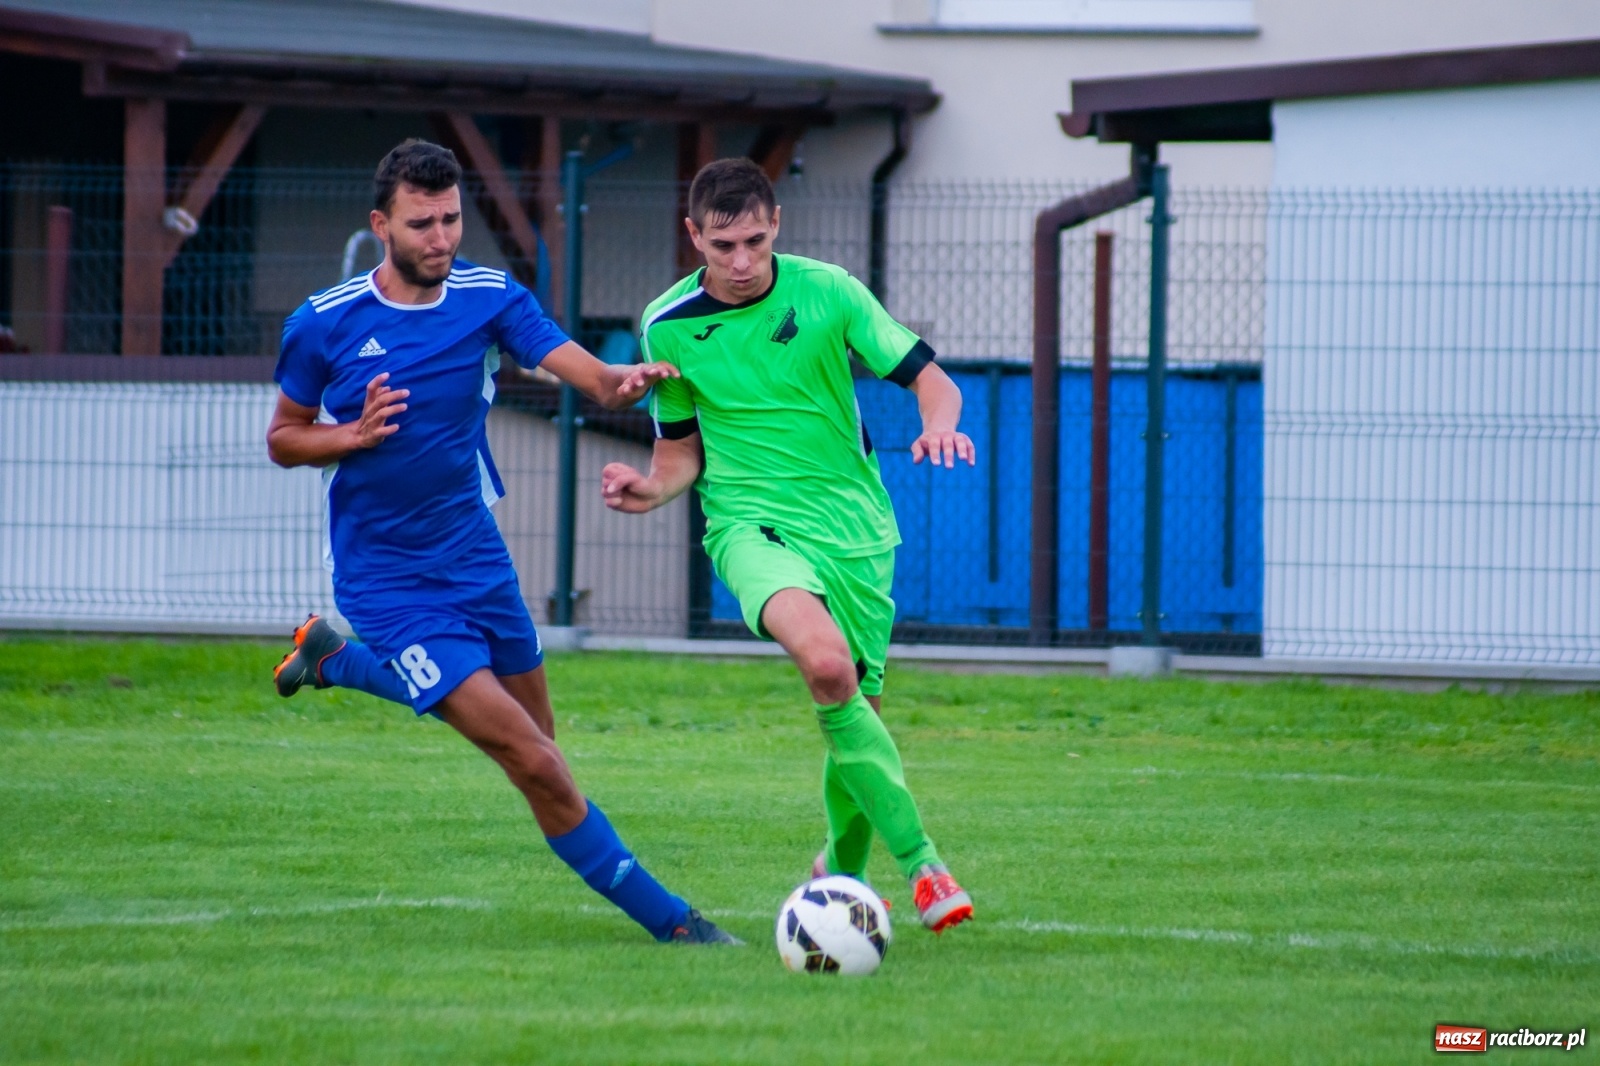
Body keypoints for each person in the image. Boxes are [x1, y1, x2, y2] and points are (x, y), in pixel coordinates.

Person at [267, 139, 736, 946]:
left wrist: (622, 381)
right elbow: (283, 437)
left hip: (476, 556)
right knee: (536, 763)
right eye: (422, 224)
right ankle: (676, 925)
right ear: (382, 225)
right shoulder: (324, 323)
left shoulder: (487, 296)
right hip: (384, 580)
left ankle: (335, 660)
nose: (442, 238)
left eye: (451, 219)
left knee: (543, 746)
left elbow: (582, 372)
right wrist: (352, 436)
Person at [600, 158, 977, 933]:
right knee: (828, 666)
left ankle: (837, 872)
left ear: (777, 226)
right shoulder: (667, 324)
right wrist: (648, 490)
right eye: (723, 246)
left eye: (756, 242)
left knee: (857, 710)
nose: (741, 263)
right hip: (748, 524)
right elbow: (679, 457)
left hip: (856, 528)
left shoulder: (829, 290)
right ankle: (926, 868)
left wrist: (939, 428)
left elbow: (931, 381)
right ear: (694, 236)